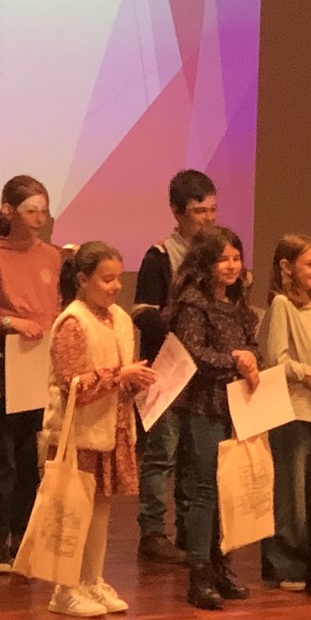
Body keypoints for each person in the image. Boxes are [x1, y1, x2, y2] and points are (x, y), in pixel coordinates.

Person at [44, 241, 151, 617]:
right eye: (107, 279)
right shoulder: (73, 321)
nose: (115, 286)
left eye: (118, 278)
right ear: (82, 279)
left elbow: (123, 369)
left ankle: (91, 579)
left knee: (100, 507)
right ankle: (65, 587)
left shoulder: (120, 318)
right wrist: (120, 375)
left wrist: (137, 380)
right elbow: (71, 383)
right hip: (78, 432)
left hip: (113, 426)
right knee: (74, 508)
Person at [0, 174, 63, 575]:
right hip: (5, 363)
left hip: (40, 362)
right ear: (9, 211)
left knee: (30, 453)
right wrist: (10, 322)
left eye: (43, 211)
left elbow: (54, 306)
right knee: (2, 454)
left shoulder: (51, 256)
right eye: (30, 211)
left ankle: (24, 535)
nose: (39, 218)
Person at [164, 226, 260, 610]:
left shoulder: (236, 301)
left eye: (236, 258)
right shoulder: (193, 302)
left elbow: (252, 344)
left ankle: (221, 566)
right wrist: (236, 361)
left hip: (236, 403)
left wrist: (251, 358)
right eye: (223, 259)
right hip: (204, 405)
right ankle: (199, 575)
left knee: (227, 489)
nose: (232, 266)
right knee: (204, 489)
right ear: (205, 262)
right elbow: (194, 354)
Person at [130, 169, 218, 564]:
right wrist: (185, 327)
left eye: (212, 210)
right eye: (199, 211)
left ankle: (189, 529)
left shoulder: (217, 255)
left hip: (203, 372)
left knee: (193, 458)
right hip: (165, 368)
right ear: (177, 212)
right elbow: (141, 312)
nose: (208, 218)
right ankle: (152, 532)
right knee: (161, 454)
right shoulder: (159, 257)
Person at [259, 234, 311, 592]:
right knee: (289, 490)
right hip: (292, 409)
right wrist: (310, 374)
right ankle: (285, 562)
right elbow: (277, 359)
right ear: (287, 267)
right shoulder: (281, 305)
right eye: (310, 264)